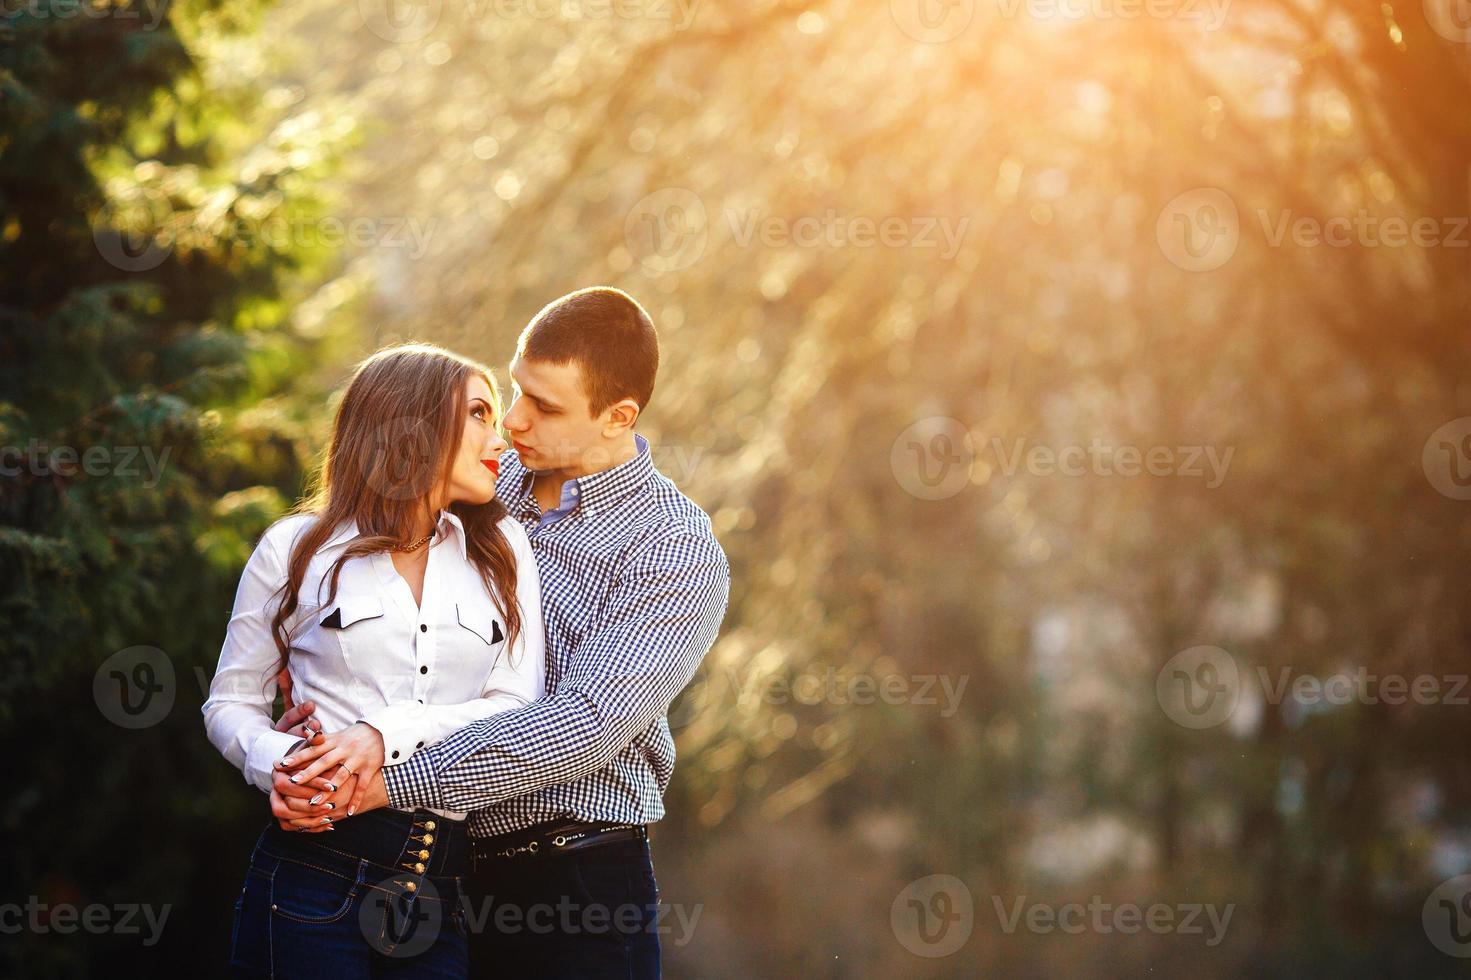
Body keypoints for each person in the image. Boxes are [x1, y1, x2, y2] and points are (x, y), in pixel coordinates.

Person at [275, 287, 731, 978]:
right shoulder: (483, 477)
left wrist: (391, 778)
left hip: (574, 892)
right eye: (516, 389)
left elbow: (587, 723)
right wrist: (307, 673)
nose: (513, 420)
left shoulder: (672, 547)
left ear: (618, 417)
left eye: (545, 407)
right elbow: (366, 560)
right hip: (430, 870)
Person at [203, 343, 546, 978]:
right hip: (313, 871)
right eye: (477, 412)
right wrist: (277, 766)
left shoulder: (502, 551)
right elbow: (230, 701)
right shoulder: (295, 549)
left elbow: (515, 705)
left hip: (435, 889)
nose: (497, 437)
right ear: (412, 424)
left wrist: (383, 733)